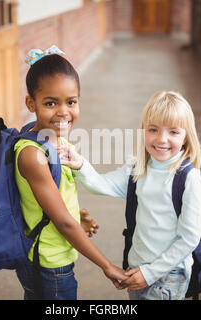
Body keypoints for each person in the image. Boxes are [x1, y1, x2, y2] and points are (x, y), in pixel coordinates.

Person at [59, 91, 201, 300]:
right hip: (137, 266)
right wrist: (80, 164)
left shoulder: (190, 181)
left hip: (168, 274)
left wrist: (149, 274)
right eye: (153, 130)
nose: (161, 139)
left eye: (173, 132)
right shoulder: (138, 169)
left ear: (186, 137)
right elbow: (102, 184)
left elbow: (188, 240)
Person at [14, 46, 126, 300]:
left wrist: (77, 217)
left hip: (54, 252)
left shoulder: (58, 141)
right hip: (49, 262)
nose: (63, 112)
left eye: (71, 102)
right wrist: (106, 266)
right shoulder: (33, 154)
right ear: (31, 103)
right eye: (50, 103)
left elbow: (56, 202)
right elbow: (62, 222)